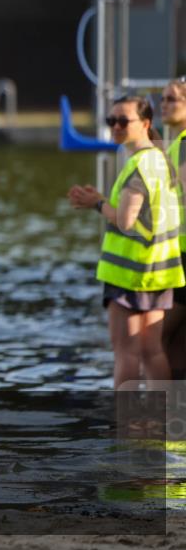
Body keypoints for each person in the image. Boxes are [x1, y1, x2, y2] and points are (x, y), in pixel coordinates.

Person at [68, 96, 184, 389]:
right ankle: (164, 421)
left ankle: (129, 427)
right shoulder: (161, 159)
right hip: (159, 272)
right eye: (111, 121)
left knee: (126, 353)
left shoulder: (140, 166)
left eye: (123, 121)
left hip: (129, 274)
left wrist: (97, 203)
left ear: (145, 123)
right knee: (152, 350)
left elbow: (125, 220)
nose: (115, 127)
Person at [160, 78, 186, 380]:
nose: (163, 105)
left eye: (172, 100)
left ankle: (157, 415)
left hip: (182, 258)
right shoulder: (177, 143)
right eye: (162, 99)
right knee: (178, 343)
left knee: (153, 341)